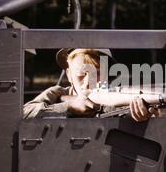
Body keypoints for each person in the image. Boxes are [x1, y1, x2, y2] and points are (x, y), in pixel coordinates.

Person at [23, 48, 158, 122]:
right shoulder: (58, 93)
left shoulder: (118, 96)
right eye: (81, 75)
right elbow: (22, 113)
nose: (88, 82)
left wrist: (143, 117)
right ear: (69, 75)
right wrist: (68, 107)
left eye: (97, 74)